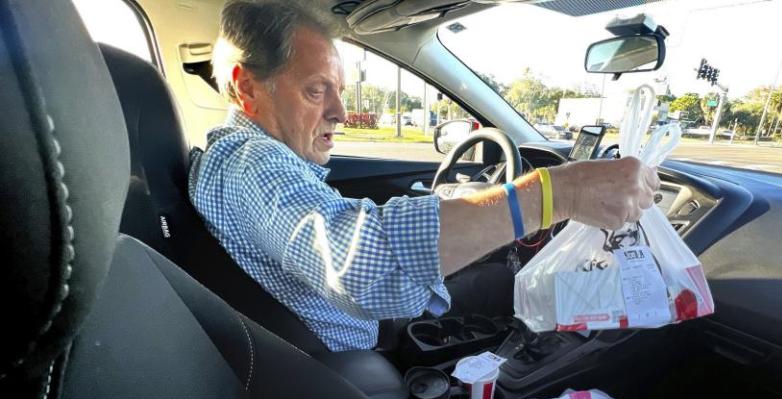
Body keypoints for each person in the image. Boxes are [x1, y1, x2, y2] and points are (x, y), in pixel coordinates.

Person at [188, 0, 659, 352]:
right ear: (246, 86)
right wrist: (557, 192)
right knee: (510, 286)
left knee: (497, 282)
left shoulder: (250, 161)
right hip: (353, 362)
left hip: (349, 339)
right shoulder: (251, 163)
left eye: (338, 92)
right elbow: (360, 261)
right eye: (317, 91)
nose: (340, 112)